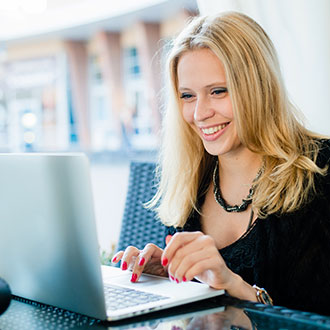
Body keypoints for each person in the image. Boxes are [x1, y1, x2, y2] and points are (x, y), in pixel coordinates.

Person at [112, 11, 330, 315]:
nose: (200, 113)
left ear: (258, 86)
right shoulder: (190, 183)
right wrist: (170, 277)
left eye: (217, 91)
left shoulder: (320, 170)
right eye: (187, 96)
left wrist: (234, 286)